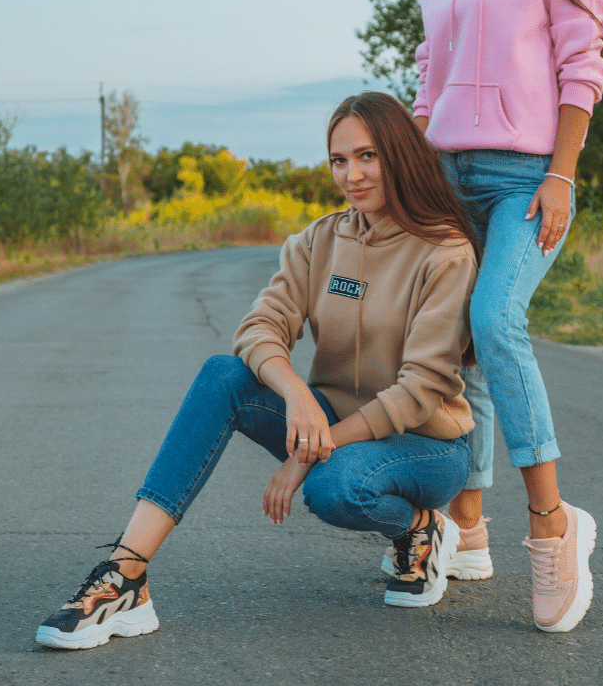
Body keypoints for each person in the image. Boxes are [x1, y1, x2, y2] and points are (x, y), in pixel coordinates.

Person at [36, 91, 480, 650]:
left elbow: (420, 390)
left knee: (337, 486)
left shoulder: (445, 252)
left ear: (400, 156)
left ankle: (422, 527)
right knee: (224, 374)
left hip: (425, 448)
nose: (352, 175)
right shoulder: (320, 240)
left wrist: (304, 457)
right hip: (327, 426)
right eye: (339, 161)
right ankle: (126, 577)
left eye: (367, 156)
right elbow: (259, 327)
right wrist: (294, 390)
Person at [406, 0, 603, 633]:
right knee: (457, 351)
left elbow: (581, 67)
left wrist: (561, 172)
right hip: (447, 179)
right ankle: (469, 528)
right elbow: (428, 95)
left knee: (497, 320)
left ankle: (553, 526)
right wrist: (409, 189)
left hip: (526, 177)